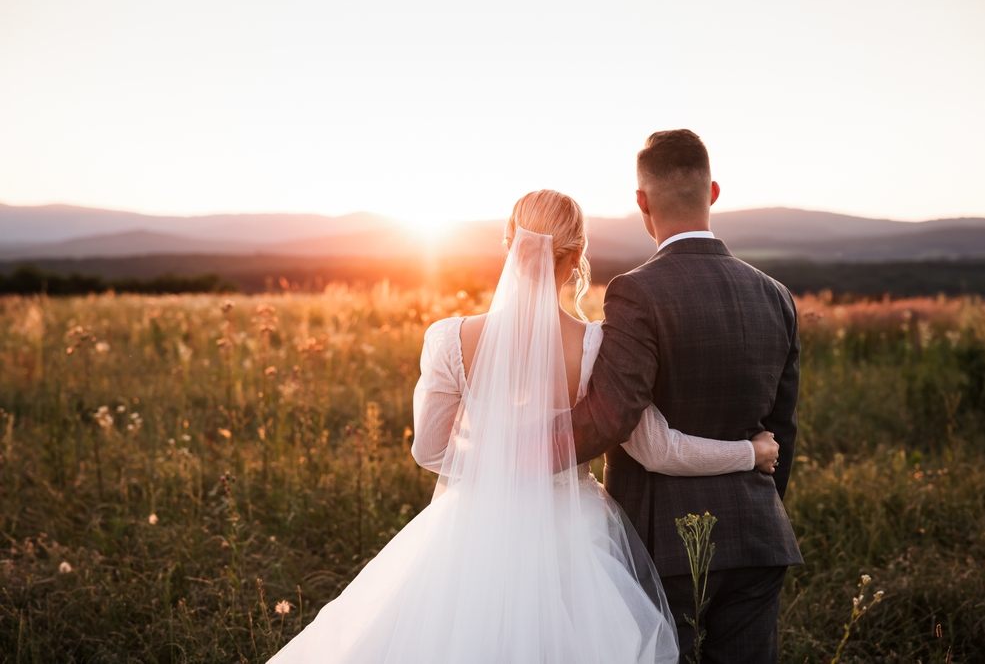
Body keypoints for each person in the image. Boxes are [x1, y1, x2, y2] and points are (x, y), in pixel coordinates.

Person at [269, 188, 780, 663]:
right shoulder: (599, 346)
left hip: (471, 528)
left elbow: (429, 451)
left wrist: (499, 465)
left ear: (508, 246)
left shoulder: (450, 340)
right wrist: (750, 453)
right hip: (576, 535)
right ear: (578, 255)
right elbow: (657, 450)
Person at [571, 129, 804, 663]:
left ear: (640, 202)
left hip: (663, 542)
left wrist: (523, 452)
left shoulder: (636, 290)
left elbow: (613, 415)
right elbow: (782, 429)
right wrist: (757, 505)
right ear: (714, 192)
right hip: (758, 535)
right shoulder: (776, 295)